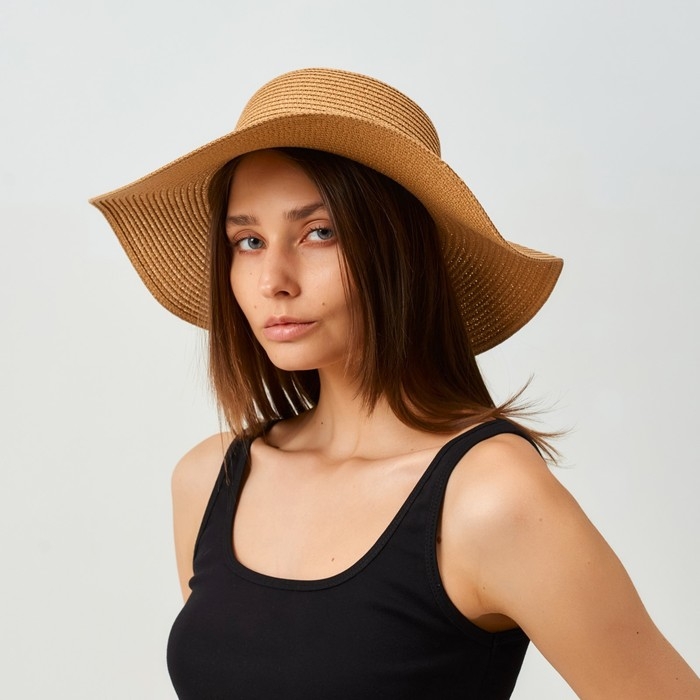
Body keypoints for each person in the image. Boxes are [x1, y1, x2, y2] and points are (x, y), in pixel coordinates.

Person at [91, 68, 700, 699]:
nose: (273, 279)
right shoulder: (209, 480)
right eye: (248, 241)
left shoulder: (489, 498)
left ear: (400, 249)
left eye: (319, 233)